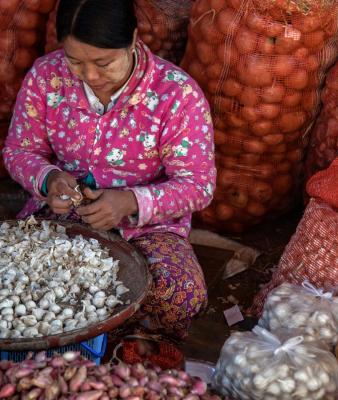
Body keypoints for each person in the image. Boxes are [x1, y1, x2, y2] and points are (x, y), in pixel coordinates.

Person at [3, 0, 216, 340]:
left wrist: (129, 202)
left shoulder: (175, 94)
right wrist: (49, 180)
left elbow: (198, 185)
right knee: (29, 285)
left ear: (132, 40)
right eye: (75, 61)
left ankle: (124, 347)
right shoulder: (46, 76)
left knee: (178, 296)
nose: (89, 75)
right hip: (62, 217)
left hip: (148, 228)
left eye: (103, 63)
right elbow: (19, 150)